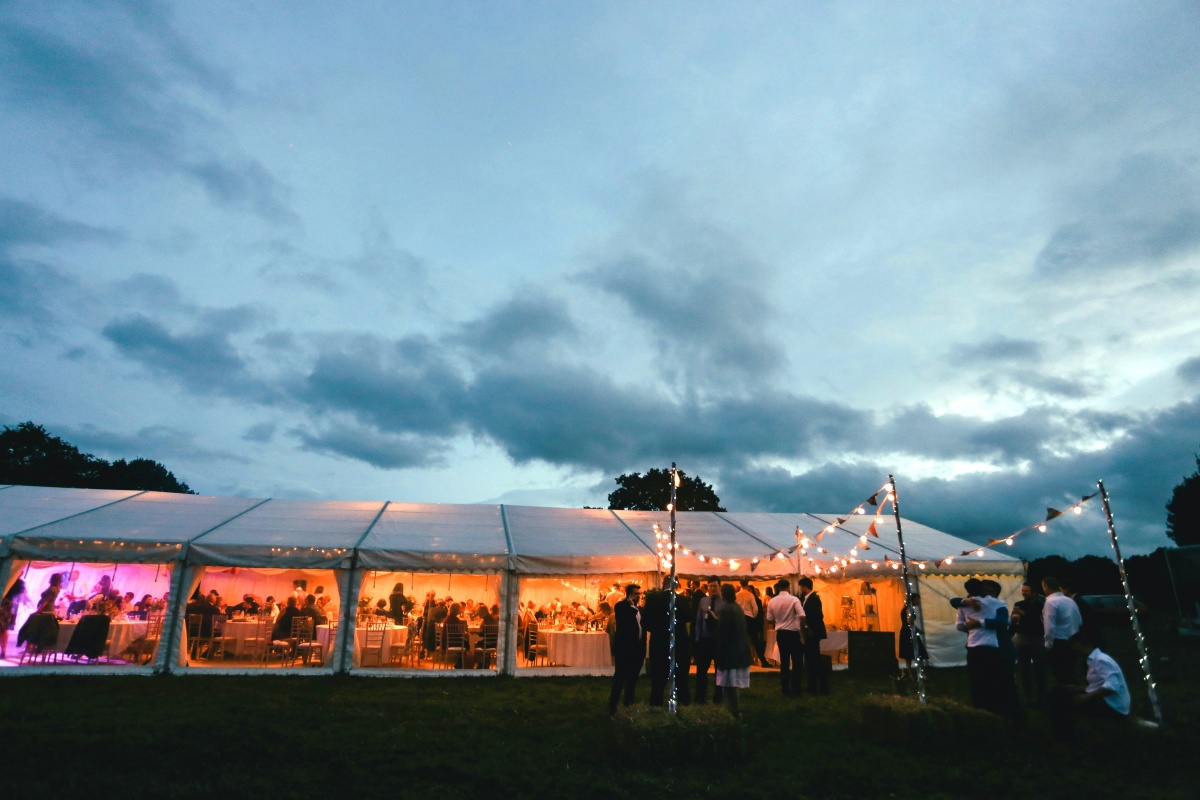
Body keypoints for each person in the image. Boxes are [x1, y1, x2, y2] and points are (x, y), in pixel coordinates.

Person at [1047, 627, 1131, 738]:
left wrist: (1086, 697)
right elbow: (1100, 683)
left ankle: (1065, 735)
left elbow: (1112, 686)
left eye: (1076, 647)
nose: (1074, 650)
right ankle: (1062, 731)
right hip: (1106, 699)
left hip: (1112, 705)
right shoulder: (1093, 659)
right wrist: (1080, 688)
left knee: (1061, 702)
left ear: (1085, 644)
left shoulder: (1101, 660)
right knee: (1058, 691)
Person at [608, 583, 646, 715]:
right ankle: (613, 705)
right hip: (625, 649)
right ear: (629, 594)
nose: (639, 596)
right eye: (636, 593)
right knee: (620, 677)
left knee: (632, 679)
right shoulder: (621, 607)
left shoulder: (640, 609)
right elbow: (625, 622)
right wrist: (631, 606)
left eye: (640, 594)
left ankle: (628, 704)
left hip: (638, 649)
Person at [715, 583, 752, 717]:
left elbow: (723, 633)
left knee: (728, 683)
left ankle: (731, 710)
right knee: (732, 683)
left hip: (730, 652)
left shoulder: (725, 610)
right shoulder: (738, 608)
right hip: (739, 649)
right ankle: (733, 710)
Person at [766, 578, 805, 696]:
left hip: (781, 633)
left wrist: (778, 621)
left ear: (778, 587)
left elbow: (769, 619)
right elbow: (802, 615)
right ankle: (796, 688)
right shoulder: (794, 599)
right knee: (797, 662)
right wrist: (801, 630)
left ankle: (785, 688)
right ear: (788, 587)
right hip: (793, 633)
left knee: (784, 661)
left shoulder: (772, 601)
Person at [1011, 580, 1048, 704]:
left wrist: (1024, 615)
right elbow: (1014, 623)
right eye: (1022, 591)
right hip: (1022, 640)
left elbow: (1040, 624)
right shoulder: (1019, 604)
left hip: (1037, 639)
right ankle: (1028, 698)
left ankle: (1042, 697)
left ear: (1034, 592)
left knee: (1040, 670)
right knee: (1024, 670)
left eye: (1026, 591)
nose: (1024, 593)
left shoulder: (1041, 605)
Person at [1042, 576, 1082, 686]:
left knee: (1060, 675)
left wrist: (1048, 645)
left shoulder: (1051, 602)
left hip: (1059, 643)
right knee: (1069, 672)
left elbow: (1049, 627)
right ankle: (1072, 696)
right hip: (1073, 641)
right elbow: (1079, 621)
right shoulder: (1070, 601)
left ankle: (1064, 698)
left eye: (1043, 587)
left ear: (1046, 587)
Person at [693, 580, 725, 704]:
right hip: (705, 639)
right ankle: (700, 696)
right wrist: (698, 637)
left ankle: (718, 696)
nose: (712, 588)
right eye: (710, 586)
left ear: (719, 587)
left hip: (719, 639)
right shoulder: (703, 601)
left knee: (720, 670)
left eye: (715, 586)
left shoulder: (724, 602)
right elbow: (699, 620)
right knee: (701, 669)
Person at [797, 577, 829, 695]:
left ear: (805, 586)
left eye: (801, 587)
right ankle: (814, 685)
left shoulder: (813, 599)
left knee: (814, 659)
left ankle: (819, 685)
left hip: (812, 633)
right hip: (811, 633)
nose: (800, 589)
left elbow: (817, 615)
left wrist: (809, 627)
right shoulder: (809, 598)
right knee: (811, 659)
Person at [898, 593, 926, 675]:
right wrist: (918, 630)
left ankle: (910, 673)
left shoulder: (905, 608)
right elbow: (909, 622)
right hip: (909, 632)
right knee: (918, 652)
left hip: (905, 631)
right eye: (917, 599)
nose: (919, 601)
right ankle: (920, 673)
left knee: (908, 654)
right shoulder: (909, 609)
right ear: (913, 600)